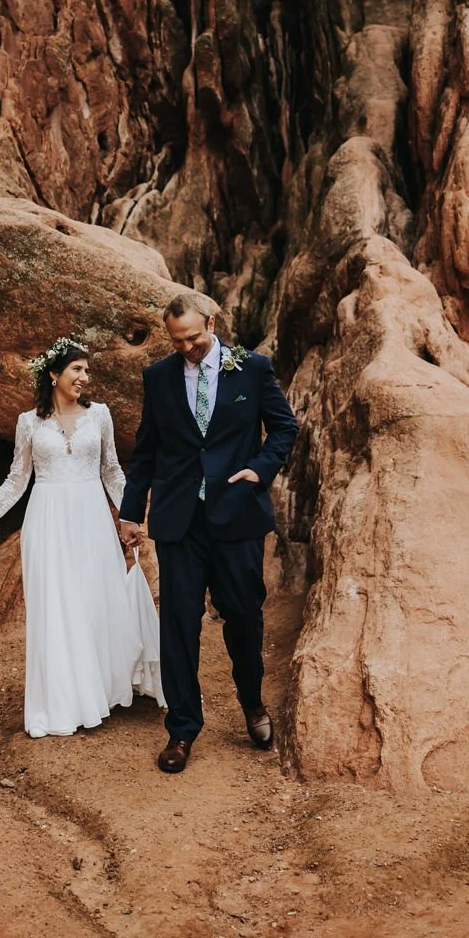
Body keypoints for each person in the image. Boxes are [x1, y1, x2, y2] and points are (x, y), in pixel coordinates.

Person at [118, 296, 298, 774]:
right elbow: (148, 449)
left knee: (243, 616)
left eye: (194, 338)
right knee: (178, 623)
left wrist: (260, 471)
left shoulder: (253, 369)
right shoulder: (158, 377)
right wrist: (131, 512)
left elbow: (283, 427)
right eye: (178, 341)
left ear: (212, 324)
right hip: (180, 520)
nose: (188, 348)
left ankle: (253, 705)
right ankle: (181, 729)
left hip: (237, 516)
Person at [0, 338, 163, 738]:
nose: (84, 377)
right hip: (47, 520)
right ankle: (61, 703)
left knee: (93, 600)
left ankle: (98, 690)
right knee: (57, 607)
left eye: (86, 370)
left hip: (92, 517)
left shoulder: (100, 416)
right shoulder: (29, 422)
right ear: (54, 374)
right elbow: (16, 481)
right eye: (77, 369)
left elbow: (112, 470)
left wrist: (130, 516)